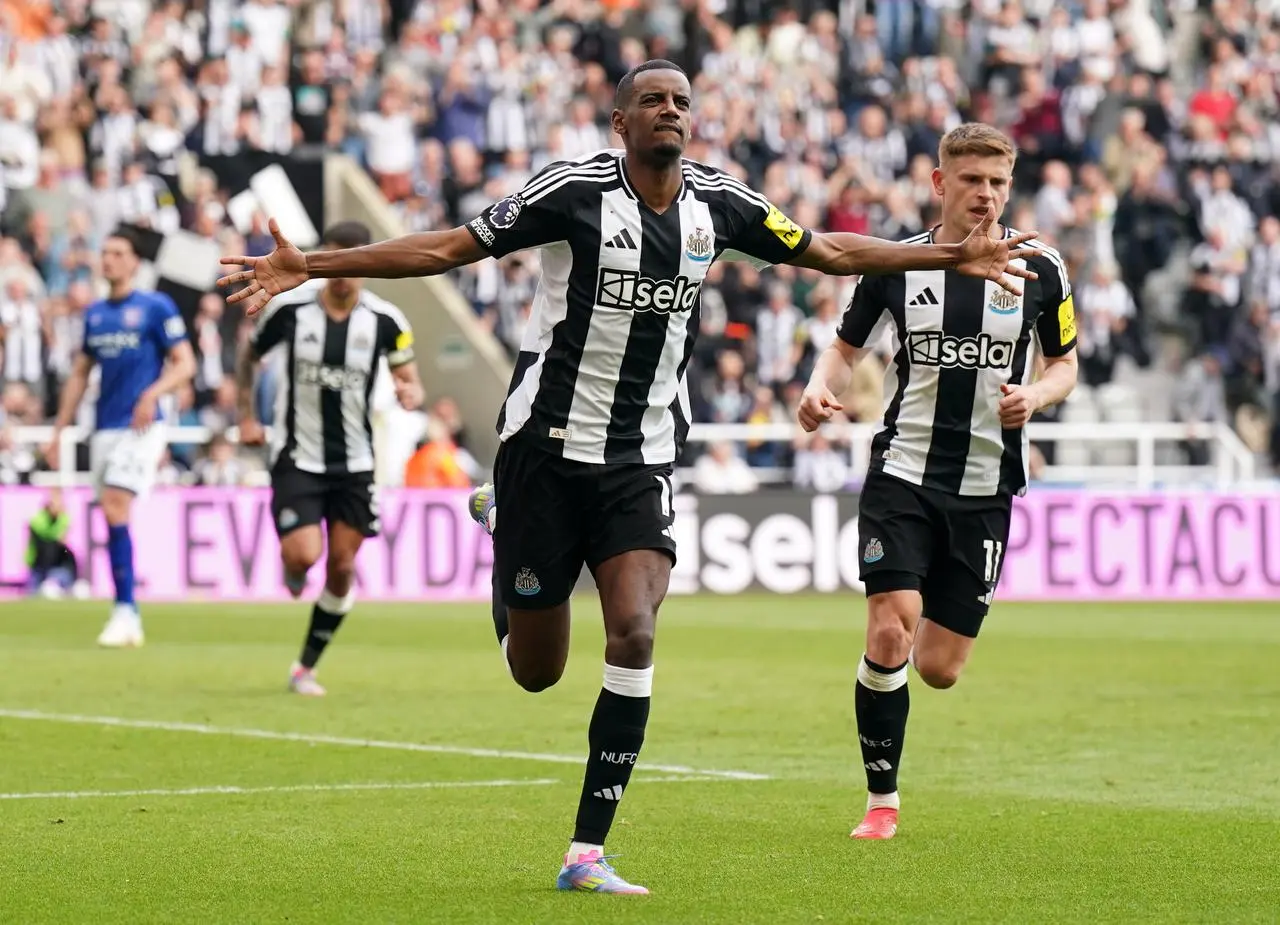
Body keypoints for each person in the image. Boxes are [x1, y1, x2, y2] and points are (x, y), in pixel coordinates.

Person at [217, 61, 1041, 894]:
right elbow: (448, 246)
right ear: (620, 121)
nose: (671, 111)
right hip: (542, 450)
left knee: (636, 632)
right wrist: (315, 265)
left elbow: (826, 252)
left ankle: (586, 850)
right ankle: (506, 527)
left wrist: (945, 255)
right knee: (536, 670)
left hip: (639, 459)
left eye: (683, 101)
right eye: (652, 100)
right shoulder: (572, 192)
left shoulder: (719, 205)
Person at [798, 123, 1079, 841]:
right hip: (903, 474)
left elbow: (1065, 364)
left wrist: (1037, 398)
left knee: (941, 668)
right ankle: (881, 799)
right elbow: (842, 348)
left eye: (996, 182)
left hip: (987, 486)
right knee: (891, 623)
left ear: (1009, 186)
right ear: (939, 183)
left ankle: (893, 692)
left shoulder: (1043, 267)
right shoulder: (897, 263)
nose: (984, 194)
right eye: (970, 180)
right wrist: (815, 388)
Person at [234, 221, 425, 697]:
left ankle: (305, 666)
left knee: (341, 567)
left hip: (356, 463)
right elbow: (247, 356)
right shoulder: (290, 311)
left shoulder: (386, 321)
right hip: (298, 454)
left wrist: (410, 391)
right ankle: (294, 568)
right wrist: (247, 416)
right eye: (334, 260)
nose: (342, 274)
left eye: (352, 261)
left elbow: (409, 376)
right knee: (304, 555)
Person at [45, 229, 196, 647]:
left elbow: (185, 364)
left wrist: (152, 394)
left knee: (114, 503)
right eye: (104, 252)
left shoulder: (155, 307)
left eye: (117, 253)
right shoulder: (94, 314)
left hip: (142, 426)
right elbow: (80, 374)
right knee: (112, 514)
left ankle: (125, 610)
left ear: (134, 262)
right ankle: (126, 609)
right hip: (105, 426)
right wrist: (60, 429)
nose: (108, 259)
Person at [26, 488, 86, 599]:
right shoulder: (38, 520)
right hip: (38, 563)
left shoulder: (64, 519)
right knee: (33, 595)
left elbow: (63, 543)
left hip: (56, 564)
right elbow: (45, 544)